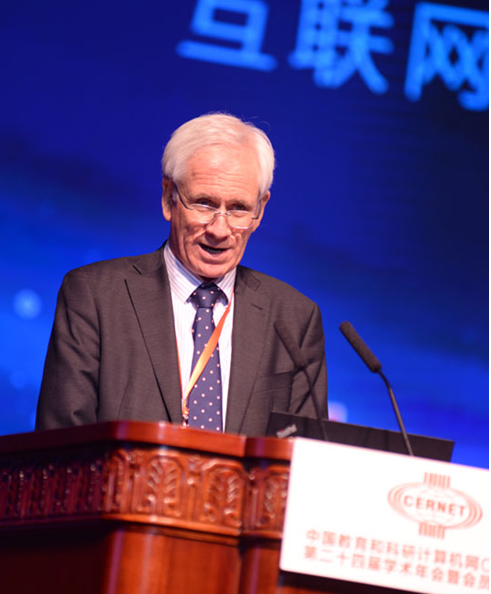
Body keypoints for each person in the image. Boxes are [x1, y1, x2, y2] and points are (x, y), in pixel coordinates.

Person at [36, 113, 327, 435]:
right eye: (204, 204)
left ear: (260, 210)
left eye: (239, 208)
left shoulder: (294, 319)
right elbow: (60, 444)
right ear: (168, 198)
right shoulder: (96, 297)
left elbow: (306, 455)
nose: (219, 230)